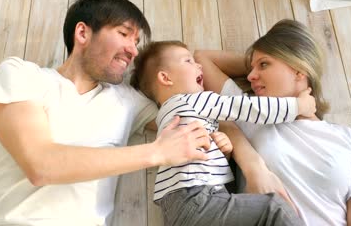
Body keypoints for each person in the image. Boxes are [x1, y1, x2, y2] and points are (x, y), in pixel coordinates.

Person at [0, 0, 213, 226]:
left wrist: (247, 65)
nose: (134, 50)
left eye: (136, 42)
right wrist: (156, 152)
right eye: (124, 34)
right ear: (82, 33)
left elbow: (193, 111)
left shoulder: (129, 102)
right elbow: (41, 165)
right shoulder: (22, 75)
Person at [194, 19, 351, 226]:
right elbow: (202, 59)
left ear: (299, 70)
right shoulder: (250, 114)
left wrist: (294, 57)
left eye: (263, 64)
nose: (250, 75)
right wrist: (263, 59)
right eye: (251, 68)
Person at [130, 40, 317, 225]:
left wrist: (223, 153)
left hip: (178, 208)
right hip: (197, 198)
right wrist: (298, 105)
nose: (199, 65)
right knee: (274, 209)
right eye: (188, 61)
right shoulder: (193, 100)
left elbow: (197, 162)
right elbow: (246, 107)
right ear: (165, 78)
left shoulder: (166, 117)